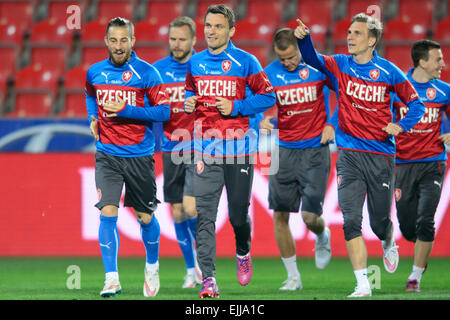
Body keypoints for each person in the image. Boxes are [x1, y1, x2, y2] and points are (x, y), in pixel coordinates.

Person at [294, 13, 426, 297]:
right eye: (349, 32)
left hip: (380, 156)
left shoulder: (390, 71)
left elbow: (417, 106)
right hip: (349, 155)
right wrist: (304, 40)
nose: (349, 37)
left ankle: (388, 239)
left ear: (372, 39)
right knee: (351, 219)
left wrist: (400, 125)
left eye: (356, 33)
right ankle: (363, 284)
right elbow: (313, 60)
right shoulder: (341, 64)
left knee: (378, 222)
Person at [184, 4, 276, 298]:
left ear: (231, 30)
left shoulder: (246, 62)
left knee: (238, 216)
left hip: (239, 150)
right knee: (205, 216)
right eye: (208, 25)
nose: (211, 31)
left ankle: (242, 250)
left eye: (218, 26)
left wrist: (236, 107)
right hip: (205, 150)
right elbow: (190, 92)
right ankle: (208, 279)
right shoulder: (195, 63)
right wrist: (188, 102)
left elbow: (268, 96)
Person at [85, 17, 170, 298]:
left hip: (139, 156)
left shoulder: (147, 73)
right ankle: (112, 279)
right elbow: (90, 95)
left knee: (145, 217)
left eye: (124, 40)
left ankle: (152, 265)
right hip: (107, 154)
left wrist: (127, 110)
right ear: (106, 42)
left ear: (133, 41)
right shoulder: (94, 72)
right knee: (107, 212)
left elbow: (164, 112)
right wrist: (93, 117)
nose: (119, 46)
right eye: (114, 40)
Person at [260, 28, 334, 291]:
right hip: (284, 150)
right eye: (282, 59)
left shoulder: (318, 67)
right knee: (279, 214)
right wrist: (263, 121)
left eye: (291, 57)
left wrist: (332, 123)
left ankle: (322, 235)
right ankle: (293, 277)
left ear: (300, 50)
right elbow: (251, 100)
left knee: (310, 217)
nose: (287, 63)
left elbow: (346, 93)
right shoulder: (268, 73)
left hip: (315, 149)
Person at [392, 39, 450, 292]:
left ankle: (414, 277)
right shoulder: (397, 90)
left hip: (433, 163)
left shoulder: (445, 90)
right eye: (438, 59)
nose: (443, 64)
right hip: (403, 164)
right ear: (422, 62)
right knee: (407, 227)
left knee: (426, 218)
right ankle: (421, 254)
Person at [153, 16, 202, 289]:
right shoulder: (157, 71)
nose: (177, 44)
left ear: (194, 40)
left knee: (191, 206)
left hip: (198, 146)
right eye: (173, 38)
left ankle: (203, 263)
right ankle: (190, 268)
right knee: (178, 211)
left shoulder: (203, 67)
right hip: (171, 148)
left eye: (182, 39)